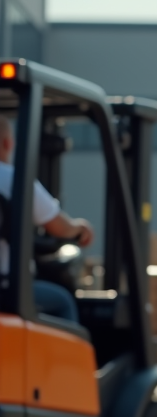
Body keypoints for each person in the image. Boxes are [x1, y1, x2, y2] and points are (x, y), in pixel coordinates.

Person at [0, 116, 94, 323]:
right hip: (7, 289)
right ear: (8, 143)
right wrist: (79, 228)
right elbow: (59, 227)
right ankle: (70, 357)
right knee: (63, 302)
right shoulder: (16, 181)